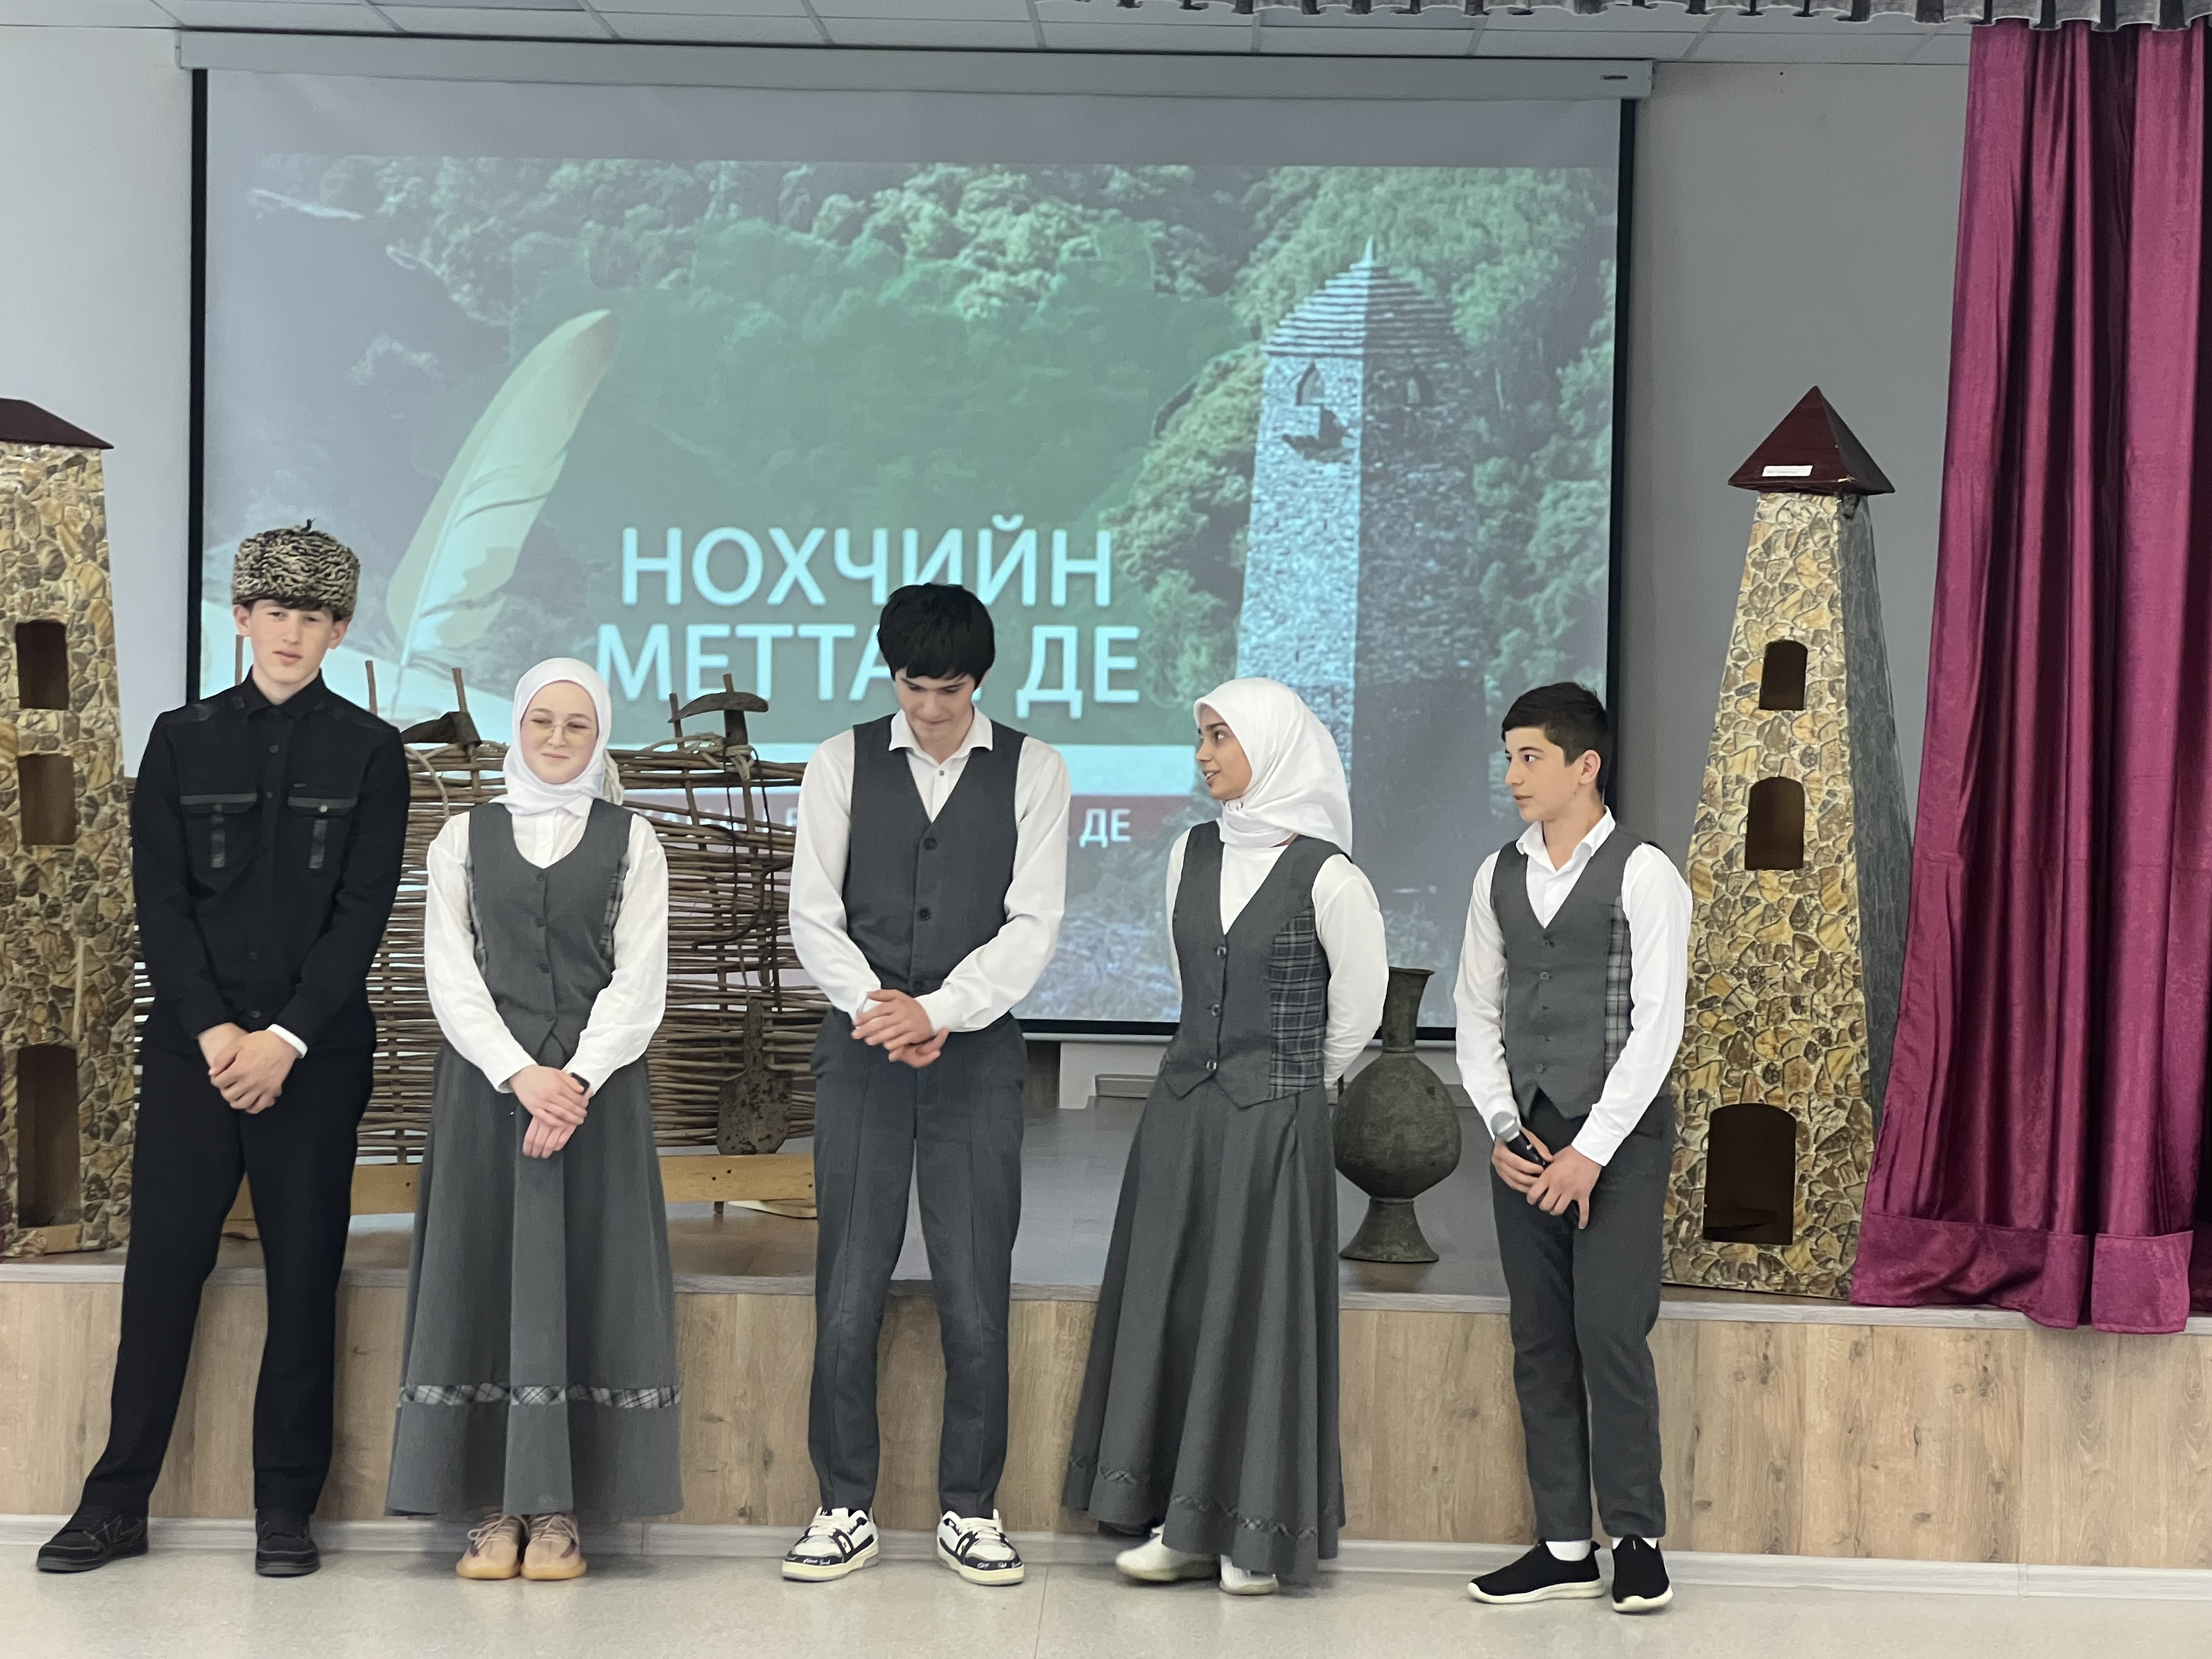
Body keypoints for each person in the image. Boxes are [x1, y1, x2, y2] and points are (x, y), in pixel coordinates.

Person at [37, 526, 408, 1578]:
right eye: (275, 612)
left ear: (341, 630)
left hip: (316, 1058)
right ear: (241, 618)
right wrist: (215, 1034)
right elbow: (159, 903)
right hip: (191, 1055)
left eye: (314, 617)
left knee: (305, 1279)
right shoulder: (180, 738)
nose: (292, 634)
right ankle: (116, 1503)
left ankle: (286, 1512)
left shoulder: (373, 752)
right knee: (161, 1273)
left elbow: (363, 914)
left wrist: (285, 1039)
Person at [1064, 678, 1387, 1595]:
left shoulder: (1331, 876)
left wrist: (1283, 1077)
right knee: (1176, 1304)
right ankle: (1178, 1520)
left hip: (1274, 1121)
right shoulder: (1190, 852)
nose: (1203, 754)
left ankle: (1253, 1536)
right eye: (1201, 736)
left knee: (1259, 1314)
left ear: (1272, 747)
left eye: (1220, 737)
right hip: (1184, 1117)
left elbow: (1356, 1014)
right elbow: (1191, 982)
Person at [781, 584, 1071, 1588]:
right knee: (848, 1287)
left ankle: (971, 1510)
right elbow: (813, 913)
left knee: (975, 1290)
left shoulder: (1036, 768)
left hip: (977, 1059)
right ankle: (842, 1505)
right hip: (861, 1053)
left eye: (951, 690)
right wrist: (882, 1011)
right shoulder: (839, 761)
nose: (933, 709)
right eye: (915, 688)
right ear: (892, 676)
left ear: (978, 680)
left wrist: (940, 1011)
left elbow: (1033, 922)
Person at [385, 659, 680, 1583]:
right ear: (517, 728)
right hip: (486, 1095)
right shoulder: (462, 837)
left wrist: (575, 1080)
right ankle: (490, 1507)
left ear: (600, 738)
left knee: (586, 1279)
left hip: (598, 1099)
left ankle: (558, 1512)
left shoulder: (634, 841)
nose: (557, 739)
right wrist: (519, 1074)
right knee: (484, 1274)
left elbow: (641, 977)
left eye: (577, 725)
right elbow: (448, 971)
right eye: (542, 721)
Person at [1453, 682, 1690, 1616]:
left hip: (1619, 1139)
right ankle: (1563, 1546)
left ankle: (1636, 1538)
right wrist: (1503, 1126)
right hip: (1529, 1136)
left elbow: (1658, 1024)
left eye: (1531, 757)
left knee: (1609, 1332)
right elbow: (1476, 1010)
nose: (1513, 775)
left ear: (1586, 766)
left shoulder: (1645, 873)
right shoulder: (1495, 875)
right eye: (1509, 756)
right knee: (1541, 1338)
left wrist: (1590, 1150)